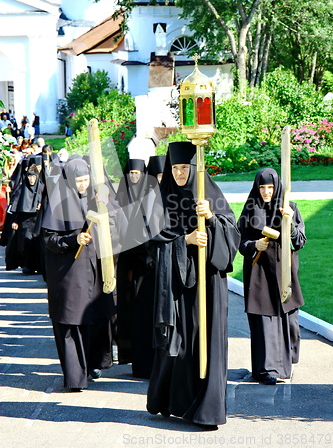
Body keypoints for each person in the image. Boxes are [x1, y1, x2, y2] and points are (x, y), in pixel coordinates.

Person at [146, 141, 240, 429]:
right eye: (175, 168)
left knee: (206, 341)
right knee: (181, 343)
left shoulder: (211, 196)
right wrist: (184, 241)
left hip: (209, 285)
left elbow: (232, 235)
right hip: (177, 287)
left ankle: (205, 410)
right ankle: (174, 402)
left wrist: (210, 219)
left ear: (195, 169)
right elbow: (152, 242)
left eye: (185, 168)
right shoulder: (164, 199)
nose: (179, 174)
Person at [42, 158, 124, 391]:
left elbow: (115, 224)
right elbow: (49, 239)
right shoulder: (58, 201)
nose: (83, 185)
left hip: (94, 270)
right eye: (78, 181)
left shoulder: (94, 197)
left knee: (95, 317)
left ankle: (92, 365)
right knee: (71, 321)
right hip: (69, 274)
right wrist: (73, 239)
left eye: (86, 180)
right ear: (69, 180)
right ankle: (75, 377)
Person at [237, 168, 306, 385]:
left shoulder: (290, 208)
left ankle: (287, 362)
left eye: (270, 187)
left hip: (285, 271)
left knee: (290, 319)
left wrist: (290, 222)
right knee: (264, 320)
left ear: (277, 188)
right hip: (259, 273)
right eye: (262, 187)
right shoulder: (249, 210)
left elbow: (299, 241)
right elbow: (239, 241)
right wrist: (253, 245)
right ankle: (266, 369)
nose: (266, 192)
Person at [115, 158, 164, 378]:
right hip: (135, 269)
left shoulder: (154, 198)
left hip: (155, 267)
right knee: (138, 315)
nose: (135, 177)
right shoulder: (123, 198)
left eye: (139, 173)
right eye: (131, 173)